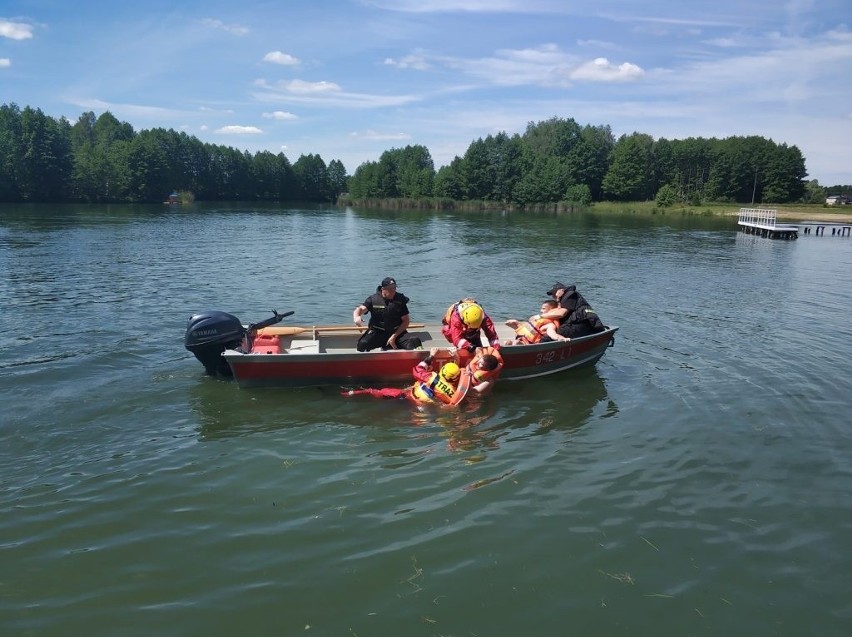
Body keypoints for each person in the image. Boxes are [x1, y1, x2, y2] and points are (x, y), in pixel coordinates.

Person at [353, 277, 422, 351]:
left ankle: (421, 361)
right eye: (390, 289)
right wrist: (356, 317)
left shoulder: (400, 299)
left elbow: (406, 321)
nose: (393, 291)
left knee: (415, 341)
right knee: (362, 344)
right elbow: (360, 309)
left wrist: (394, 336)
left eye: (394, 288)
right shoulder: (373, 299)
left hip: (396, 333)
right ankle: (385, 346)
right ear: (383, 289)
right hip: (378, 333)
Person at [540, 282, 606, 340]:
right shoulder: (562, 299)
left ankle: (540, 348)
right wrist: (558, 299)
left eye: (554, 293)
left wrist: (540, 316)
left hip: (583, 324)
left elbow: (561, 314)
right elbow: (559, 310)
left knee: (548, 336)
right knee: (549, 332)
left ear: (561, 290)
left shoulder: (570, 295)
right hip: (577, 324)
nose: (553, 296)